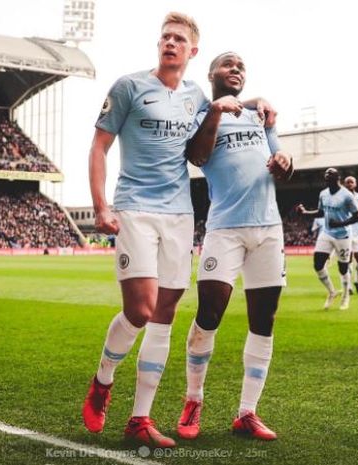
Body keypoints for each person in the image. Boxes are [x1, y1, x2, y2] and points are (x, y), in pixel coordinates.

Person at [82, 12, 209, 448]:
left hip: (179, 213)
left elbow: (211, 133)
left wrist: (256, 105)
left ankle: (140, 418)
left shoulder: (197, 96)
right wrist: (101, 204)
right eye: (165, 37)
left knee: (165, 316)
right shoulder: (129, 87)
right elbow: (99, 146)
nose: (169, 43)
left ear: (193, 50)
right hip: (135, 208)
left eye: (179, 39)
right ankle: (103, 379)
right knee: (141, 308)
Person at [175, 52, 293, 442]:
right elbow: (198, 156)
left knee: (264, 320)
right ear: (212, 74)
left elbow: (281, 163)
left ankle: (247, 412)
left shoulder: (259, 116)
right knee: (210, 313)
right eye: (229, 64)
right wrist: (215, 111)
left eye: (242, 65)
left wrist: (283, 160)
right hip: (225, 228)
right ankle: (193, 399)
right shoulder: (201, 114)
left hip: (269, 229)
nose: (237, 69)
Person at [296, 168, 358, 310]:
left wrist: (340, 223)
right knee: (318, 264)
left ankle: (345, 297)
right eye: (325, 175)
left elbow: (357, 216)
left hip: (343, 235)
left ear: (337, 178)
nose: (326, 177)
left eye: (329, 175)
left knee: (343, 268)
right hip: (327, 233)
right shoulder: (323, 194)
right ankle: (332, 292)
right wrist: (305, 212)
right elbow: (321, 212)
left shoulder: (347, 196)